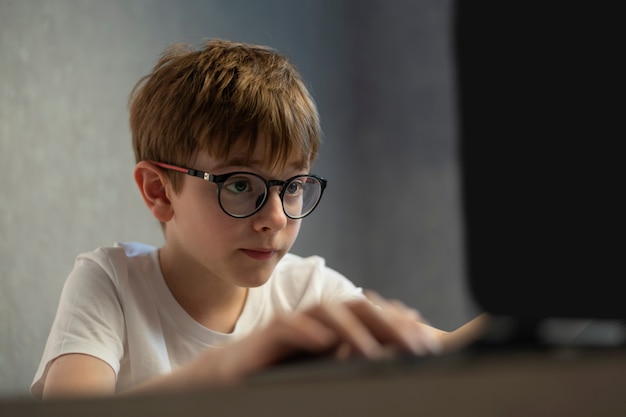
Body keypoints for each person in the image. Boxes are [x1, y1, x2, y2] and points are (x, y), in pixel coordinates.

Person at [32, 39, 486, 399]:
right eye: (239, 184)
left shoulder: (307, 290)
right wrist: (230, 366)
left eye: (292, 186)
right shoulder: (110, 282)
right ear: (159, 191)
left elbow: (451, 352)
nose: (274, 218)